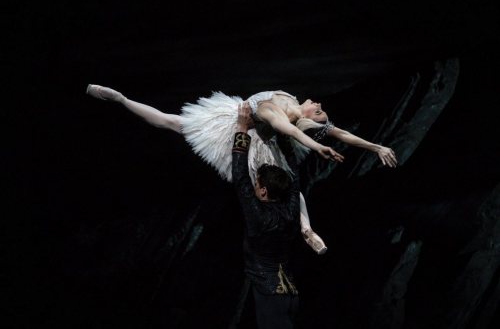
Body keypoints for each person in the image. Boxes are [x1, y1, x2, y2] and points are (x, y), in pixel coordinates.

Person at [86, 84, 397, 253]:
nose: (318, 105)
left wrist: (377, 146)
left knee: (288, 186)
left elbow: (338, 133)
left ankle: (307, 229)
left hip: (261, 138)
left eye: (319, 112)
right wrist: (316, 146)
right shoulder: (275, 109)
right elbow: (290, 132)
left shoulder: (297, 117)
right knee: (172, 122)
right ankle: (121, 98)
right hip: (238, 125)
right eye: (320, 110)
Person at [232, 102, 300, 328]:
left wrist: (242, 128)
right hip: (290, 294)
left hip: (270, 295)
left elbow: (240, 177)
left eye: (257, 184)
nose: (253, 187)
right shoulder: (290, 213)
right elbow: (295, 178)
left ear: (262, 190)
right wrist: (283, 133)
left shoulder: (258, 215)